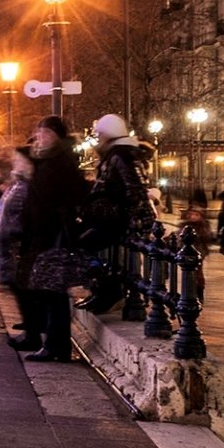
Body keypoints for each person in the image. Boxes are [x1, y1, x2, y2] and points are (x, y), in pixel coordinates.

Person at [18, 116, 86, 362]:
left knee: (52, 291)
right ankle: (52, 343)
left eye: (46, 133)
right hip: (43, 234)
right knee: (48, 290)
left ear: (57, 136)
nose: (41, 137)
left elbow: (54, 198)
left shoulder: (60, 162)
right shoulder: (49, 160)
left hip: (52, 235)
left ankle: (56, 346)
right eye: (40, 132)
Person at [81, 113, 157, 314]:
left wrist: (124, 215)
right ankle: (102, 292)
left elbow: (134, 190)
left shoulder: (121, 155)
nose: (98, 139)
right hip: (117, 217)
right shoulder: (120, 153)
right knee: (98, 251)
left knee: (86, 244)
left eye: (100, 134)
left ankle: (109, 291)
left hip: (119, 219)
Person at [0, 148, 39, 349]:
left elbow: (25, 216)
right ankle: (30, 329)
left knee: (24, 290)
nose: (15, 162)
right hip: (9, 245)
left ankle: (33, 335)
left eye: (19, 160)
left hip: (16, 246)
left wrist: (14, 236)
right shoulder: (18, 184)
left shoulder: (27, 186)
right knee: (19, 289)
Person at [179, 186, 213, 300]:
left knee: (198, 272)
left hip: (199, 251)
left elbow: (208, 237)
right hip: (186, 252)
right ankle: (189, 291)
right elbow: (179, 236)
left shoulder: (203, 225)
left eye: (196, 215)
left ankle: (199, 291)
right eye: (191, 214)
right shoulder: (185, 225)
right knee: (188, 273)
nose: (193, 216)